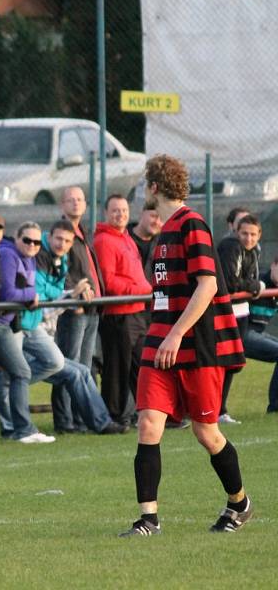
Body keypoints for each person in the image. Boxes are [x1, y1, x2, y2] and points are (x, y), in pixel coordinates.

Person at [120, 154, 251, 537]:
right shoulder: (165, 231)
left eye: (146, 184)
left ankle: (239, 503)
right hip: (160, 344)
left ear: (154, 187)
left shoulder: (191, 224)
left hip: (194, 347)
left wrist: (175, 334)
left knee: (206, 432)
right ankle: (148, 519)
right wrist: (164, 333)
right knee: (148, 423)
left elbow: (208, 285)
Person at [34, 222, 127, 435]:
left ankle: (99, 422)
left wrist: (73, 295)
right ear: (49, 237)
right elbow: (42, 293)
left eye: (67, 241)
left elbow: (54, 295)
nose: (62, 244)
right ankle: (70, 422)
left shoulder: (61, 259)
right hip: (31, 338)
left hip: (43, 336)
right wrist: (71, 295)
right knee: (71, 369)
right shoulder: (40, 257)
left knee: (82, 370)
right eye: (58, 239)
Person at [0, 222, 60, 444]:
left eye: (36, 241)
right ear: (17, 238)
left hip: (5, 324)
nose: (32, 245)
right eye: (27, 240)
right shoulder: (9, 255)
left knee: (21, 372)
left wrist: (29, 294)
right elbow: (8, 292)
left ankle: (22, 429)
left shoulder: (31, 257)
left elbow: (28, 291)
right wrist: (30, 294)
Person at [94, 194, 152, 426]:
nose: (121, 215)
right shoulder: (104, 241)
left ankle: (147, 412)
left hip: (136, 311)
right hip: (119, 314)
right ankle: (115, 414)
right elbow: (109, 282)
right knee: (117, 368)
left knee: (142, 366)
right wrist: (141, 289)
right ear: (106, 213)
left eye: (124, 210)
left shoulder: (125, 238)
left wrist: (143, 289)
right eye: (115, 210)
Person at [52, 186, 104, 434]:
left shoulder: (85, 231)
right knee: (67, 365)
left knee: (84, 367)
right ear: (62, 205)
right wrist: (74, 296)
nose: (75, 203)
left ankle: (81, 418)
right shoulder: (61, 233)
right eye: (70, 200)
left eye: (80, 199)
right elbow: (60, 270)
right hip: (74, 309)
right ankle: (64, 420)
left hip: (92, 307)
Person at [216, 214, 264, 424]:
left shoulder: (252, 252)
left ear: (259, 235)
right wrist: (255, 286)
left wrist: (254, 285)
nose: (248, 238)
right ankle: (216, 410)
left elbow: (248, 280)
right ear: (237, 232)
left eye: (253, 234)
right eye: (244, 233)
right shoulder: (230, 246)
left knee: (234, 363)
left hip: (242, 313)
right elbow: (231, 282)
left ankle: (220, 410)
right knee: (224, 362)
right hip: (225, 314)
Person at [246, 257, 278, 413]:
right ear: (273, 265)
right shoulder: (259, 283)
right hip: (243, 333)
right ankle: (275, 406)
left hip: (258, 332)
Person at [127, 200, 163, 274]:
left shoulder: (163, 245)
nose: (157, 222)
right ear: (142, 214)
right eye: (153, 216)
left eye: (161, 219)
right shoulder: (122, 238)